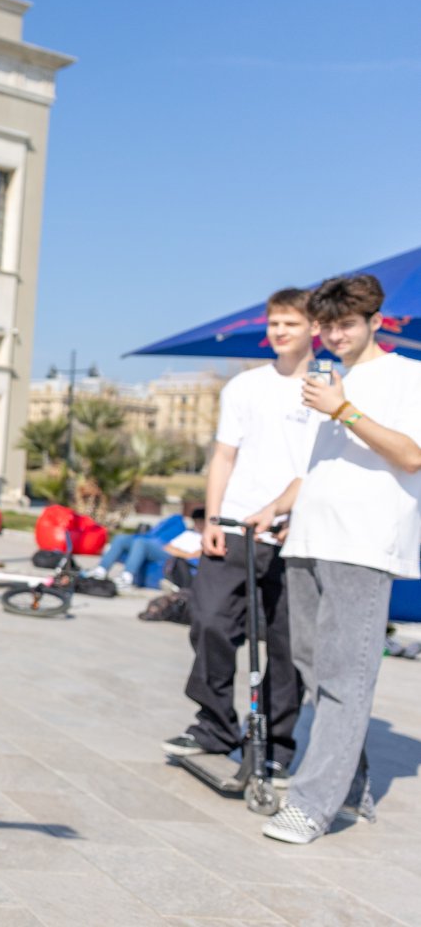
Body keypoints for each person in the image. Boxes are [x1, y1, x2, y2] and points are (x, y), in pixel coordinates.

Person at [244, 275, 421, 845]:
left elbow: (411, 456)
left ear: (376, 321)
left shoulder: (408, 376)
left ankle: (312, 804)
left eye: (346, 324)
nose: (335, 336)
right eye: (326, 327)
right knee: (314, 670)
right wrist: (274, 507)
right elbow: (317, 469)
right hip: (308, 538)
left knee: (346, 675)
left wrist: (342, 408)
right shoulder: (326, 380)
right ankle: (349, 787)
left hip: (363, 543)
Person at [161, 288, 314, 772]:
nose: (280, 331)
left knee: (287, 645)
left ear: (315, 328)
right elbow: (224, 456)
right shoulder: (245, 387)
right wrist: (212, 517)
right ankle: (215, 725)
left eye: (291, 323)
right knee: (209, 621)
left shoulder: (330, 389)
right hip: (234, 526)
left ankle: (273, 745)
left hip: (295, 533)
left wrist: (300, 515)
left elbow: (323, 468)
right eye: (274, 323)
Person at [98, 507, 204, 591]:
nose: (198, 524)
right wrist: (181, 552)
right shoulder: (188, 533)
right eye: (196, 521)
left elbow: (196, 554)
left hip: (174, 559)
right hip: (169, 553)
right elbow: (168, 547)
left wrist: (180, 553)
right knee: (121, 538)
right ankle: (101, 570)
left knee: (141, 542)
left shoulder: (206, 538)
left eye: (201, 521)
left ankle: (126, 577)